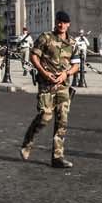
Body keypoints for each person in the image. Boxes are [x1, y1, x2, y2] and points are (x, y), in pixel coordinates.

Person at [20, 9, 78, 169]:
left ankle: (57, 157)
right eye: (59, 21)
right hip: (46, 84)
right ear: (56, 22)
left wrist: (66, 74)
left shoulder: (72, 43)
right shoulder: (46, 37)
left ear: (68, 24)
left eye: (64, 22)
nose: (61, 25)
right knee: (45, 116)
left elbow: (76, 65)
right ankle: (28, 140)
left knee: (62, 121)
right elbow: (34, 56)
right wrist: (44, 73)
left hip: (63, 86)